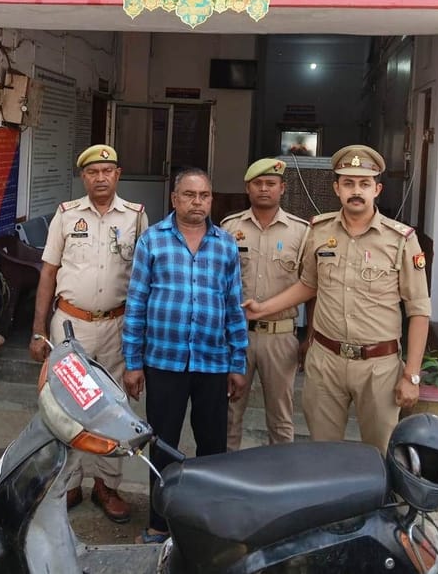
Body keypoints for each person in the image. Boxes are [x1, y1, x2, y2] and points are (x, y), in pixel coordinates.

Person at [245, 145, 430, 454]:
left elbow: (419, 310)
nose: (356, 191)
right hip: (326, 363)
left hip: (379, 367)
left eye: (364, 183)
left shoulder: (400, 240)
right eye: (348, 183)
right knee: (323, 454)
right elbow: (308, 285)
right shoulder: (319, 231)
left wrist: (411, 375)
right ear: (337, 188)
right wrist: (263, 309)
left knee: (378, 454)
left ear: (377, 189)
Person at [122, 167, 248, 544]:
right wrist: (133, 362)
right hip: (164, 362)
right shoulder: (152, 240)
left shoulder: (225, 244)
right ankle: (159, 523)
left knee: (212, 447)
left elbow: (233, 307)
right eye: (190, 195)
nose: (198, 202)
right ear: (174, 199)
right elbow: (136, 303)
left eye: (204, 195)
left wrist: (238, 362)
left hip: (213, 361)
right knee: (163, 444)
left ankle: (205, 526)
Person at [29, 144, 148, 523]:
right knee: (67, 405)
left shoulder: (136, 217)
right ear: (83, 177)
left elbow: (144, 276)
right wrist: (38, 329)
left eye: (107, 171)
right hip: (70, 325)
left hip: (117, 326)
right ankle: (69, 483)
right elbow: (48, 272)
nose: (100, 178)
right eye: (93, 172)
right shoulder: (66, 215)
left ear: (118, 175)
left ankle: (107, 485)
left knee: (115, 407)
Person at [221, 158, 311, 450]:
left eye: (270, 183)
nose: (264, 189)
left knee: (281, 418)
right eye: (257, 183)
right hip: (237, 336)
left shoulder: (301, 232)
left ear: (282, 188)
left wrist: (309, 336)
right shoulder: (229, 228)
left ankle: (279, 473)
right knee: (229, 413)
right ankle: (227, 471)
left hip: (280, 336)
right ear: (247, 188)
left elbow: (311, 288)